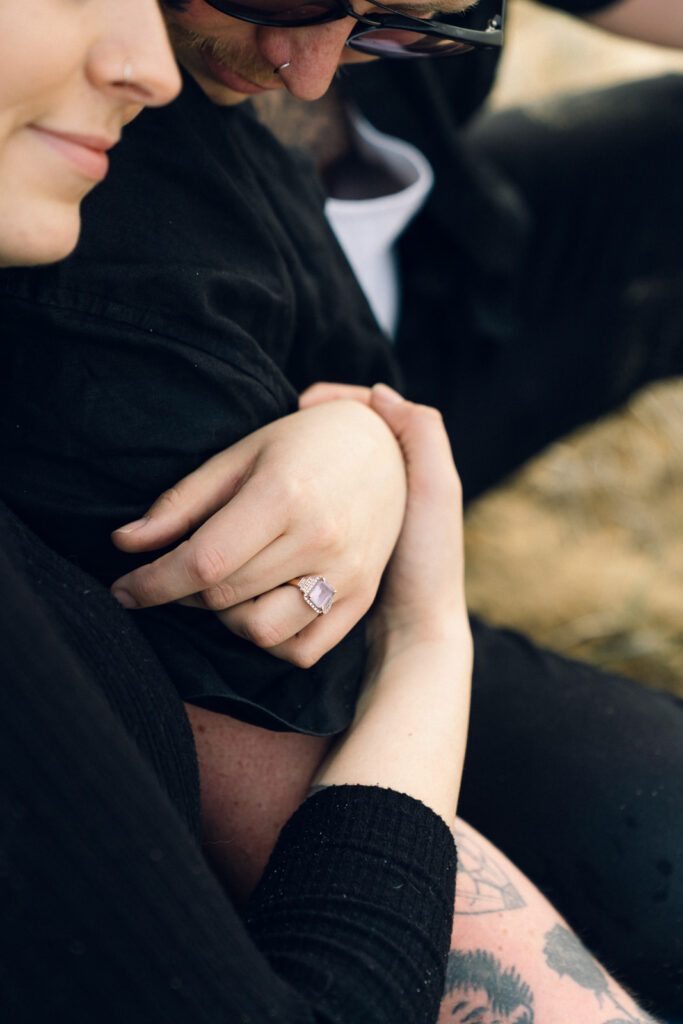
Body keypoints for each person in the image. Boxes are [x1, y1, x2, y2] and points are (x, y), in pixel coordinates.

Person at [0, 0, 680, 1014]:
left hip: (398, 359)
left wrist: (371, 437)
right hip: (340, 612)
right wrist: (425, 635)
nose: (317, 71)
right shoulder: (105, 277)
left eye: (408, 24)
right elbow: (304, 845)